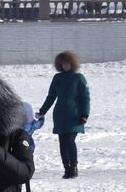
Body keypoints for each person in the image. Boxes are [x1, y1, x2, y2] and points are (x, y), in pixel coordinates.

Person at [36, 50, 91, 179]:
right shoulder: (57, 78)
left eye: (68, 63)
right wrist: (43, 110)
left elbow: (85, 97)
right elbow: (51, 96)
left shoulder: (79, 78)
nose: (65, 66)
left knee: (70, 141)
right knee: (62, 143)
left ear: (72, 64)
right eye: (63, 64)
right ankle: (66, 168)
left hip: (74, 116)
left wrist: (85, 114)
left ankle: (74, 167)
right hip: (60, 115)